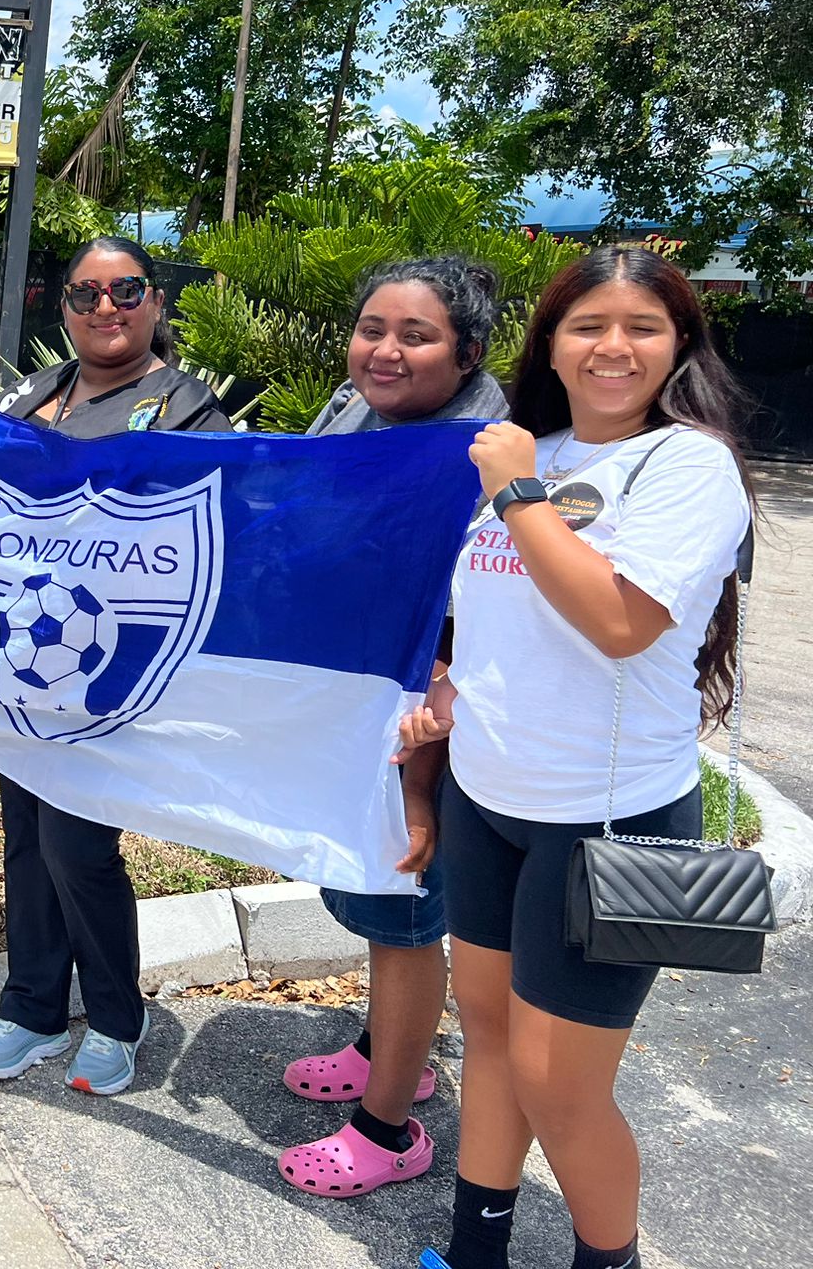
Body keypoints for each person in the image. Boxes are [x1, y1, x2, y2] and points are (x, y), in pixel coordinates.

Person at [405, 248, 752, 1269]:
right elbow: (491, 627)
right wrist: (444, 696)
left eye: (640, 326)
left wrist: (514, 491)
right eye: (585, 325)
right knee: (491, 1041)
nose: (611, 346)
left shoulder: (684, 465)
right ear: (549, 344)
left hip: (606, 821)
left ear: (676, 345)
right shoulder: (526, 450)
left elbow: (614, 621)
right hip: (486, 799)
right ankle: (476, 1249)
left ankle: (609, 1260)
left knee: (561, 1081)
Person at [0, 236, 233, 1095]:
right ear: (63, 307)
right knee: (28, 841)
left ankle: (117, 1016)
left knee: (79, 843)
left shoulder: (187, 410)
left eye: (126, 291)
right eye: (85, 294)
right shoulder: (35, 392)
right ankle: (33, 1005)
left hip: (113, 665)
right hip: (21, 656)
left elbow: (211, 531)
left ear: (157, 303)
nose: (106, 308)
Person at [275, 257, 510, 1198]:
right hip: (355, 700)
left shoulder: (487, 454)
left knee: (405, 916)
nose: (385, 350)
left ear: (469, 352)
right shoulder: (351, 406)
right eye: (373, 327)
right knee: (370, 895)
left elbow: (487, 615)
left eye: (417, 335)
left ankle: (390, 1126)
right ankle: (387, 1051)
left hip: (428, 727)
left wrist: (432, 747)